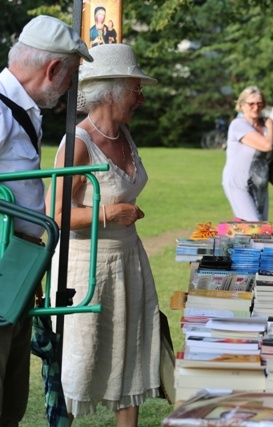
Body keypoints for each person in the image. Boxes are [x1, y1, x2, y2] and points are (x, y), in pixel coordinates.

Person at [46, 43, 160, 426]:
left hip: (128, 262)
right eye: (135, 88)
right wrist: (112, 212)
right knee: (83, 360)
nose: (141, 98)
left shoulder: (124, 134)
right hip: (86, 268)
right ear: (111, 90)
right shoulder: (77, 143)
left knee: (133, 353)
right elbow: (57, 214)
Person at [0, 15, 92, 427]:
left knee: (11, 397)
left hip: (19, 264)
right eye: (71, 74)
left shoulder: (20, 107)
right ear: (53, 68)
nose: (71, 86)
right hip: (4, 263)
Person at [222, 86, 273, 221]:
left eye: (259, 103)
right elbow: (266, 145)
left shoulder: (264, 125)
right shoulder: (238, 125)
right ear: (242, 105)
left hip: (260, 184)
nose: (256, 107)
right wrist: (270, 126)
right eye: (251, 104)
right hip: (239, 183)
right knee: (255, 225)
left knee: (259, 229)